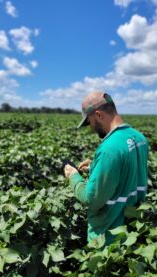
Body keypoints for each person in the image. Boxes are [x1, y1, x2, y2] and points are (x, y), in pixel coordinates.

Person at [64, 92, 149, 245]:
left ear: (98, 115)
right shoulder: (139, 138)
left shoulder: (109, 149)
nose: (91, 128)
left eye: (89, 122)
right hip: (133, 231)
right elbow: (126, 172)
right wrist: (95, 167)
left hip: (109, 238)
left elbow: (91, 199)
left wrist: (74, 177)